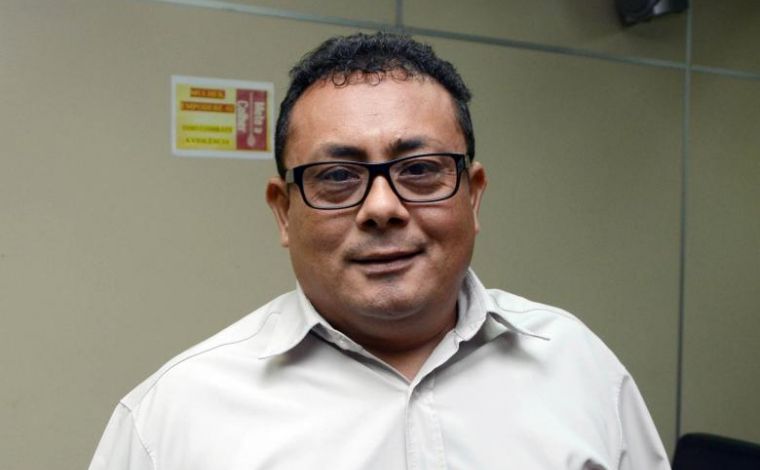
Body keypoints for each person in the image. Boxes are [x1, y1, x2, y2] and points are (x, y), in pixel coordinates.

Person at [89, 32, 671, 469]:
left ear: (473, 196)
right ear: (283, 211)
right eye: (337, 177)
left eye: (420, 170)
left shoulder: (578, 368)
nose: (382, 208)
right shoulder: (173, 419)